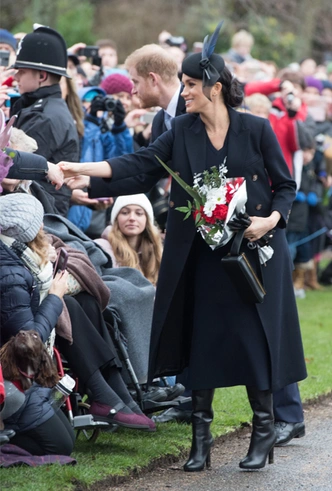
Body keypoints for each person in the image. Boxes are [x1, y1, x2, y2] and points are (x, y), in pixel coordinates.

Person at [60, 22, 307, 472]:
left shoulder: (256, 129)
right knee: (202, 340)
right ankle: (201, 442)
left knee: (256, 340)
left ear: (213, 88)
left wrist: (269, 219)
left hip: (255, 254)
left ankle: (264, 428)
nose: (184, 92)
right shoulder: (181, 131)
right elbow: (138, 165)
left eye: (191, 85)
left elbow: (286, 185)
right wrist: (79, 168)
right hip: (201, 256)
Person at [0, 193, 155, 432]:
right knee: (68, 305)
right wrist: (54, 295)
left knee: (88, 302)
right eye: (38, 223)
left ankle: (119, 396)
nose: (44, 227)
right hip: (20, 341)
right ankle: (106, 395)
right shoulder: (12, 264)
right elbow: (29, 333)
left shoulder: (26, 250)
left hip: (33, 315)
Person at [10, 25, 80, 216]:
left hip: (40, 218)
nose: (15, 76)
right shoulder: (42, 108)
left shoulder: (45, 117)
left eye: (21, 71)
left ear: (41, 76)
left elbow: (11, 175)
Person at [95, 194, 162, 286]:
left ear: (147, 220)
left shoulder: (156, 251)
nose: (132, 218)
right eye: (125, 212)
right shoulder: (101, 248)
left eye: (139, 213)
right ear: (116, 219)